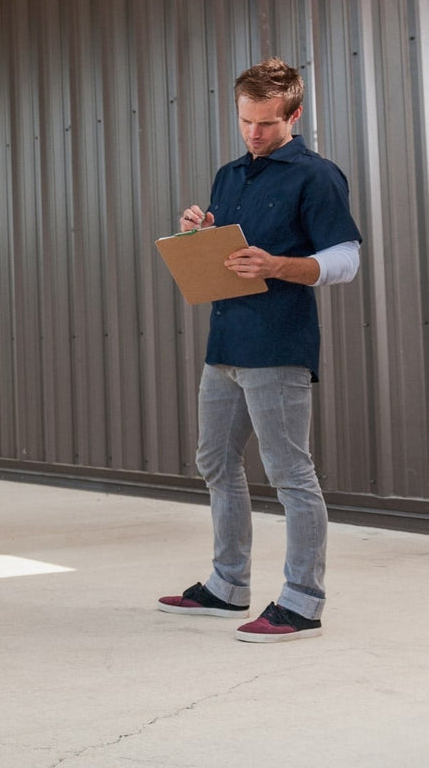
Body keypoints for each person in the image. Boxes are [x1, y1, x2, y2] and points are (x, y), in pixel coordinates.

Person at [158, 58, 361, 642]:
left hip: (278, 344)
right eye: (246, 120)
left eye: (268, 123)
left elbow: (345, 259)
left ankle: (302, 601)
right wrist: (202, 232)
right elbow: (232, 247)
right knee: (215, 462)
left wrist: (279, 266)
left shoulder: (317, 176)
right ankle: (227, 584)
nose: (254, 133)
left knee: (291, 474)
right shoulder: (229, 174)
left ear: (294, 115)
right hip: (226, 341)